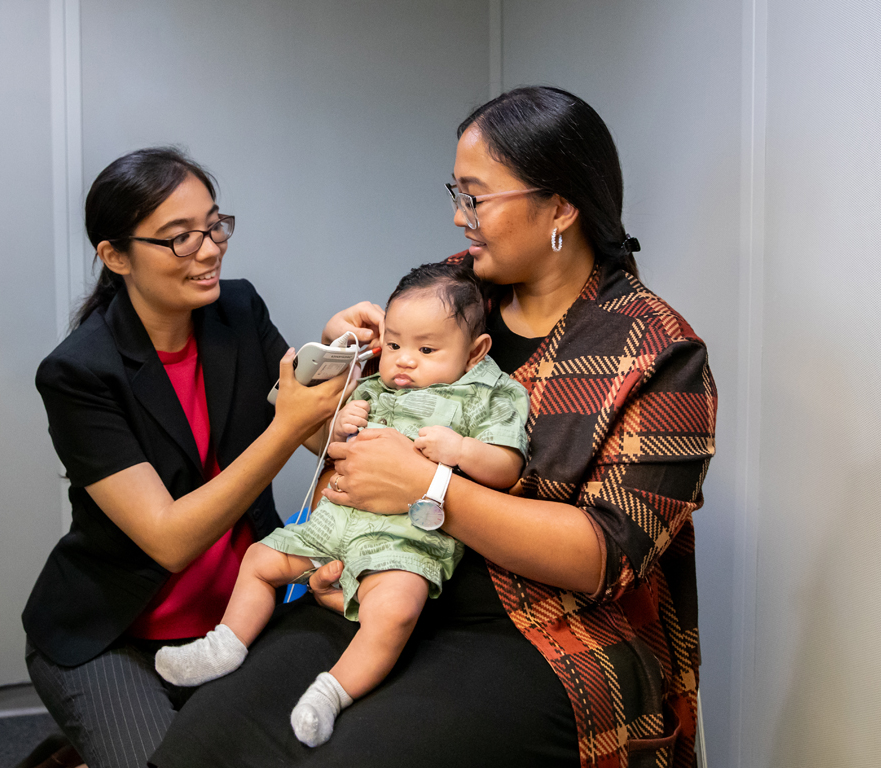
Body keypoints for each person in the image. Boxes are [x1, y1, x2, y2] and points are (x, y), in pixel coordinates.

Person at [149, 87, 717, 768]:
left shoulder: (656, 350)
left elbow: (605, 555)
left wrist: (431, 488)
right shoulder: (454, 293)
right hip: (378, 580)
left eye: (476, 197)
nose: (458, 218)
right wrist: (339, 371)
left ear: (561, 205)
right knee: (206, 738)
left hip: (542, 630)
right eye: (457, 192)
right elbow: (337, 441)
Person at [21, 147, 376, 768]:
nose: (209, 249)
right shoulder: (79, 373)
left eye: (214, 226)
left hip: (239, 617)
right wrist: (288, 425)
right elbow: (168, 539)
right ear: (115, 256)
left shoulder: (236, 311)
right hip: (114, 634)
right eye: (179, 239)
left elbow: (321, 438)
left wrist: (339, 356)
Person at [154, 262, 529, 748]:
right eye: (394, 345)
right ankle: (224, 645)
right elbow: (333, 452)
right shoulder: (376, 387)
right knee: (260, 560)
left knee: (394, 611)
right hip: (335, 523)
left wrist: (460, 452)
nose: (404, 361)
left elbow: (508, 467)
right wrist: (341, 425)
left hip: (405, 540)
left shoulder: (491, 393)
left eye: (427, 349)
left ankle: (332, 692)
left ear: (475, 352)